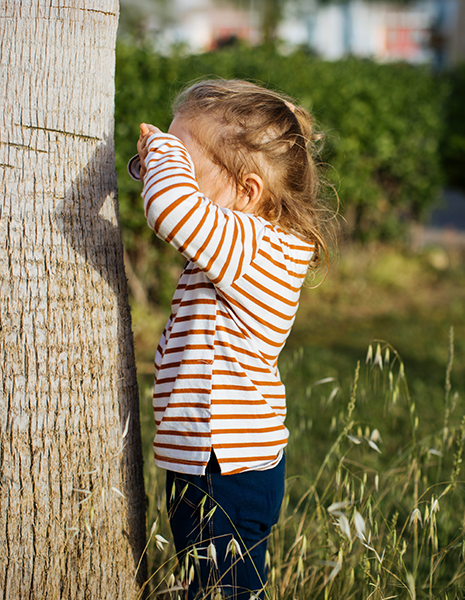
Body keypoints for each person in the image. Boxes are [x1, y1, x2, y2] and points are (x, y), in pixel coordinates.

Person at [132, 79, 329, 599]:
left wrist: (161, 150)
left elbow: (171, 210)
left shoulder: (255, 243)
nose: (164, 172)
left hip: (228, 468)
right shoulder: (242, 243)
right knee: (209, 587)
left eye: (184, 166)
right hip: (208, 461)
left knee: (226, 591)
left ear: (247, 192)